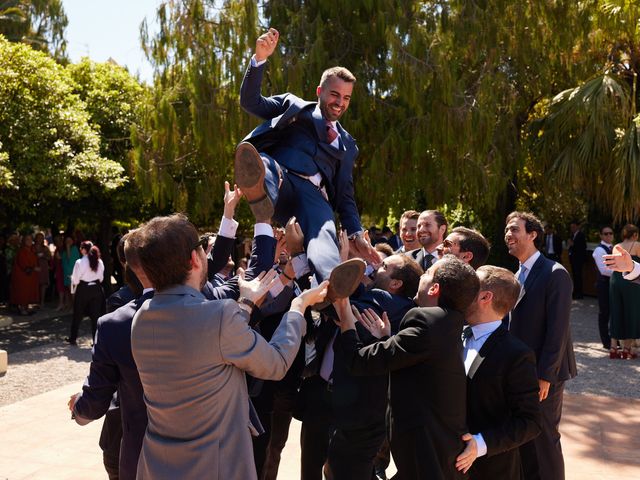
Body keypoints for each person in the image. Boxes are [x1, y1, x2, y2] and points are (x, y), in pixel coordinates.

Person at [128, 213, 329, 480]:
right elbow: (276, 363)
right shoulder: (218, 315)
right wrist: (298, 307)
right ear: (194, 259)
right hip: (214, 467)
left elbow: (208, 345)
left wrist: (245, 305)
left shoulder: (141, 317)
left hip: (157, 465)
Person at [236, 27, 377, 287]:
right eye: (334, 94)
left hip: (315, 199)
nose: (340, 102)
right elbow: (251, 102)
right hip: (282, 180)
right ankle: (260, 192)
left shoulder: (347, 145)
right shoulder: (294, 107)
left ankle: (331, 285)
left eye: (346, 98)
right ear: (319, 91)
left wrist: (356, 232)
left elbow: (345, 196)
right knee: (262, 163)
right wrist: (259, 60)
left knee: (324, 233)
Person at [335, 255, 480, 479]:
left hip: (426, 454)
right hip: (437, 450)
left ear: (434, 289)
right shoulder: (449, 321)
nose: (422, 275)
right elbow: (408, 363)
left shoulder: (425, 319)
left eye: (428, 273)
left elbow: (359, 361)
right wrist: (385, 339)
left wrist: (343, 308)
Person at [504, 211, 576, 480]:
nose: (508, 235)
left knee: (544, 436)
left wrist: (545, 375)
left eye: (514, 230)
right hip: (522, 369)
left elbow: (558, 331)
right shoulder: (517, 274)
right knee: (525, 433)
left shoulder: (555, 273)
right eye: (507, 230)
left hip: (545, 374)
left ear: (532, 234)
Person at [462, 265, 541, 479]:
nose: (461, 290)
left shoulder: (516, 354)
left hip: (489, 470)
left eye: (469, 287)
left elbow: (530, 421)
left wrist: (480, 444)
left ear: (485, 297)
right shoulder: (451, 332)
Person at [607, 224, 640, 359]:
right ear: (634, 235)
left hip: (615, 280)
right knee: (631, 312)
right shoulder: (637, 245)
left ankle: (613, 347)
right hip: (631, 281)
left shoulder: (616, 246)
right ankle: (627, 348)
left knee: (616, 311)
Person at [66, 241, 105, 345]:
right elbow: (101, 278)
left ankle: (73, 338)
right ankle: (96, 340)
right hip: (96, 289)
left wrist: (73, 280)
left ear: (83, 250)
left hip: (83, 289)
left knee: (77, 314)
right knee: (96, 315)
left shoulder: (79, 262)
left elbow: (76, 281)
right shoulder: (99, 261)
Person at [592, 226, 614, 350]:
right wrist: (622, 271)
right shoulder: (599, 250)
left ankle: (613, 339)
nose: (608, 236)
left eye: (610, 233)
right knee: (604, 312)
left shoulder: (614, 248)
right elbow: (604, 270)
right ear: (601, 235)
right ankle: (606, 341)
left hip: (613, 285)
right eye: (605, 234)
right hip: (604, 284)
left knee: (613, 312)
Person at [10, 234, 39, 315]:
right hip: (22, 276)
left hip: (29, 276)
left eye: (30, 239)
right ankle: (22, 308)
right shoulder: (22, 251)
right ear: (24, 241)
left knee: (28, 291)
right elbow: (23, 264)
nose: (29, 241)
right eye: (27, 239)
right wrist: (33, 268)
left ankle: (26, 307)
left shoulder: (31, 250)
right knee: (23, 291)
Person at [568, 221, 586, 299]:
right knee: (575, 276)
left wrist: (573, 244)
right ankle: (575, 292)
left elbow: (582, 247)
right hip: (573, 259)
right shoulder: (572, 235)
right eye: (571, 227)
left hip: (578, 259)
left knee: (578, 276)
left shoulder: (581, 235)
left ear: (577, 227)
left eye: (574, 227)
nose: (572, 229)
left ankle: (579, 293)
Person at [61, 235, 81, 310]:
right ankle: (74, 307)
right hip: (66, 273)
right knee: (71, 292)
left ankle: (77, 308)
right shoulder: (65, 250)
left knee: (73, 292)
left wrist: (68, 247)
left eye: (70, 240)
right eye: (67, 240)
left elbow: (70, 258)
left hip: (72, 274)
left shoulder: (74, 249)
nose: (68, 242)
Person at [33, 232, 51, 306]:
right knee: (35, 284)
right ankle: (36, 301)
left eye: (41, 238)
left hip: (43, 266)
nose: (40, 239)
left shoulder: (45, 248)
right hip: (35, 266)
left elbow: (49, 258)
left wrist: (43, 256)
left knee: (43, 284)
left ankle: (42, 302)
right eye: (38, 237)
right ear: (36, 238)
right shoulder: (32, 247)